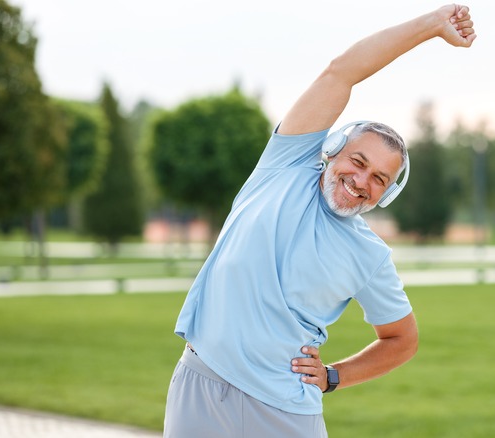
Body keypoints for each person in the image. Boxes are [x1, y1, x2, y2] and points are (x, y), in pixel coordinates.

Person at [163, 4, 476, 437]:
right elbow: (340, 72)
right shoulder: (284, 165)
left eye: (379, 178)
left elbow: (402, 339)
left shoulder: (370, 255)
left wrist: (335, 376)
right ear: (332, 150)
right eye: (358, 161)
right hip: (201, 387)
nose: (361, 180)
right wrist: (430, 26)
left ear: (387, 193)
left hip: (285, 412)